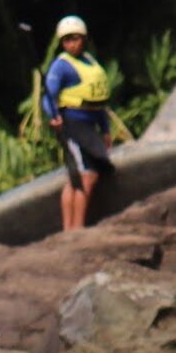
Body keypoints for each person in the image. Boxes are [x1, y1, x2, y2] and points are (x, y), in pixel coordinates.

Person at [40, 15, 122, 230]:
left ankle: (73, 229)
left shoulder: (90, 62)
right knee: (86, 175)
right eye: (67, 40)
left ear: (83, 39)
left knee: (82, 176)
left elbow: (98, 103)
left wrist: (105, 130)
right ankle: (75, 229)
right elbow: (48, 97)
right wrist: (53, 117)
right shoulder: (61, 67)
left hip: (90, 127)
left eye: (75, 39)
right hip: (72, 126)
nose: (71, 44)